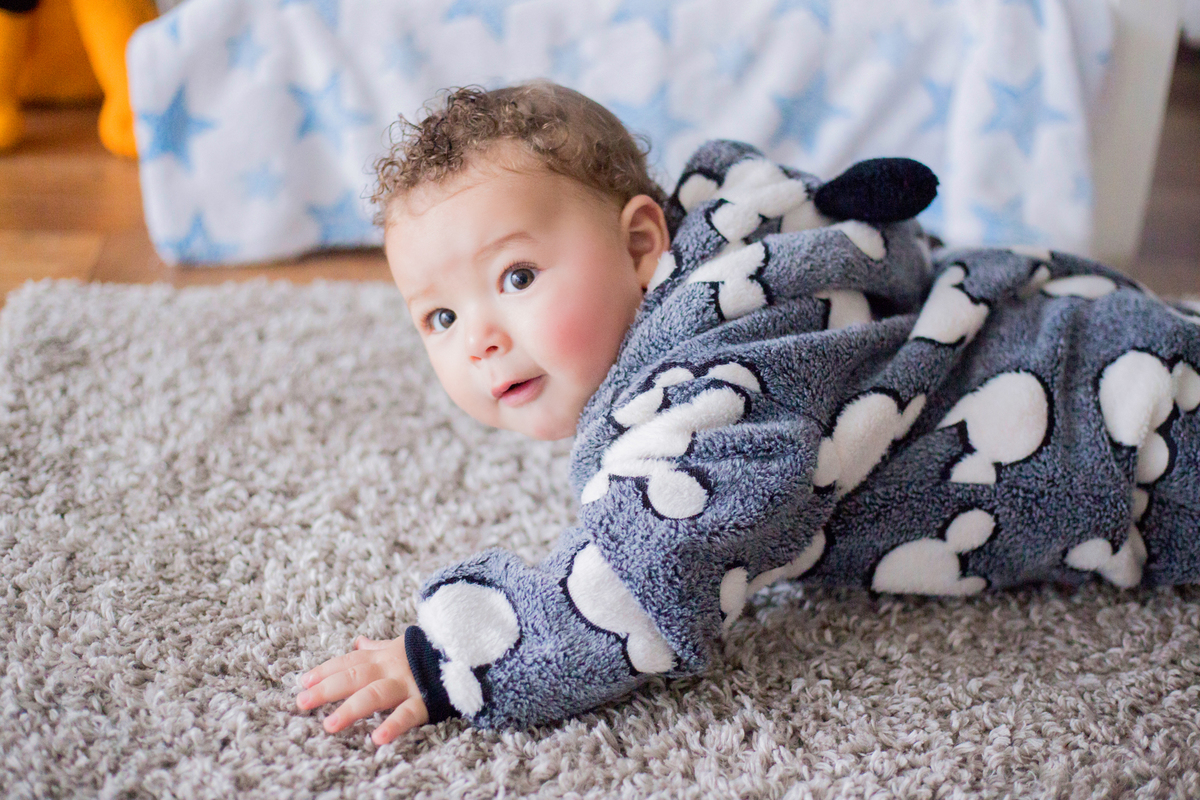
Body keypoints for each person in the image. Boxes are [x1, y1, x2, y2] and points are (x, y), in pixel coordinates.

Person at [295, 81, 1200, 745]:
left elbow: (647, 573)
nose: (480, 340)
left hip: (1133, 444)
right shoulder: (737, 259)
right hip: (1100, 347)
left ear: (641, 245)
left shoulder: (719, 387)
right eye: (440, 318)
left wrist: (453, 659)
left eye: (517, 276)